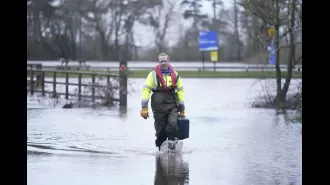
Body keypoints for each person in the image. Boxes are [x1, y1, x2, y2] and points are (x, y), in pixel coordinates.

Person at [140, 53, 185, 150]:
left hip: (172, 104)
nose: (163, 63)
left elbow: (180, 91)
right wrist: (144, 107)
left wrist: (182, 108)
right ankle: (161, 147)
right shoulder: (152, 75)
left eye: (165, 61)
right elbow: (146, 90)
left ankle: (173, 144)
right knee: (160, 130)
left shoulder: (175, 75)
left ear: (168, 61)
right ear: (158, 62)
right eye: (161, 61)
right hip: (158, 106)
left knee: (172, 124)